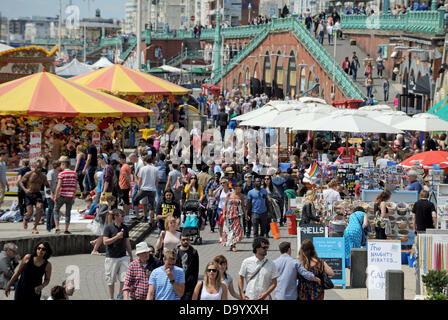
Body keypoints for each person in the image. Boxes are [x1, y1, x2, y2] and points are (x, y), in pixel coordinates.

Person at [103, 209, 133, 300]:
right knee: (110, 279)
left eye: (124, 216)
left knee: (124, 278)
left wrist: (131, 255)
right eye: (122, 216)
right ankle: (111, 297)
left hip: (123, 257)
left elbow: (127, 242)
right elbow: (105, 242)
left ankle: (120, 295)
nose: (123, 217)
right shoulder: (108, 227)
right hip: (111, 257)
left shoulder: (125, 227)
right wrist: (116, 237)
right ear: (115, 217)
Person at [19, 159, 50, 234]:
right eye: (37, 167)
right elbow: (20, 182)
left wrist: (49, 190)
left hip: (37, 194)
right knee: (30, 212)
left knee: (39, 208)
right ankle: (26, 219)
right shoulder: (29, 174)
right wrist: (25, 189)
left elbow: (47, 185)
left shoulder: (43, 176)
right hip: (29, 194)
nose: (38, 169)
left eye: (40, 167)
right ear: (34, 167)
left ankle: (35, 227)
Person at [52, 156, 77, 235]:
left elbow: (59, 186)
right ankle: (66, 229)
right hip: (70, 196)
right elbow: (75, 187)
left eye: (61, 164)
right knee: (68, 212)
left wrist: (55, 196)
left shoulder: (61, 174)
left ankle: (57, 228)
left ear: (63, 164)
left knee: (56, 210)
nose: (60, 166)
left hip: (62, 195)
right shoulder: (74, 174)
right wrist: (73, 197)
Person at [133, 155, 158, 223]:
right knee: (151, 205)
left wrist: (139, 187)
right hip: (152, 189)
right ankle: (150, 220)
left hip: (144, 188)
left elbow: (140, 179)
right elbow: (156, 181)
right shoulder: (155, 169)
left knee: (135, 200)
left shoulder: (143, 169)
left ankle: (138, 216)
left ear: (145, 161)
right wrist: (155, 189)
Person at [221, 181, 246, 251]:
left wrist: (246, 215)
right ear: (235, 188)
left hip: (238, 214)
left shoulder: (241, 195)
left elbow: (243, 206)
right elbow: (225, 205)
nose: (240, 189)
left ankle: (234, 245)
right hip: (230, 213)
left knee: (237, 230)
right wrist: (224, 214)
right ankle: (231, 244)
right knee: (230, 230)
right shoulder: (229, 194)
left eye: (241, 188)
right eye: (239, 188)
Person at [175, 232, 199, 300]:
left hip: (189, 284)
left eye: (187, 240)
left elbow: (196, 269)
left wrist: (194, 283)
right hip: (178, 282)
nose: (185, 241)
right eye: (183, 240)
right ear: (180, 240)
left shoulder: (194, 252)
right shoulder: (176, 251)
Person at [45, 160, 60, 232]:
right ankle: (49, 225)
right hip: (50, 193)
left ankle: (52, 224)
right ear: (57, 166)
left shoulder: (58, 173)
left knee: (54, 209)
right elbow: (49, 185)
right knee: (51, 209)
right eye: (59, 166)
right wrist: (51, 194)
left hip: (55, 193)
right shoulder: (50, 173)